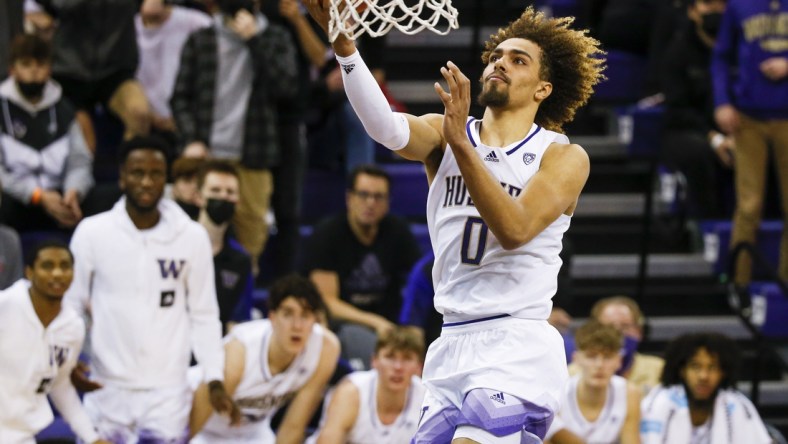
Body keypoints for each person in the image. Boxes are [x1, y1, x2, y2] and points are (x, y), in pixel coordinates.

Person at [301, 3, 604, 441]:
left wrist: (462, 144)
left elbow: (515, 230)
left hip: (515, 344)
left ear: (543, 89)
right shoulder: (446, 134)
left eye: (518, 60)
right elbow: (385, 128)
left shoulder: (562, 156)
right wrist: (345, 47)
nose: (501, 62)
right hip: (451, 343)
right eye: (497, 55)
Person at [63, 135, 236, 442]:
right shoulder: (92, 233)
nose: (146, 182)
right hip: (106, 386)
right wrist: (71, 357)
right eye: (137, 173)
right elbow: (72, 306)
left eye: (155, 174)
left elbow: (205, 314)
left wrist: (214, 376)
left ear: (166, 179)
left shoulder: (191, 236)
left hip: (167, 391)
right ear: (122, 177)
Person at [171, 0, 299, 273]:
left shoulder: (274, 37)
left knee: (252, 245)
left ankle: (240, 305)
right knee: (195, 241)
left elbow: (286, 89)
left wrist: (255, 41)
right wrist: (192, 139)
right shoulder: (201, 39)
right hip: (207, 155)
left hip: (254, 156)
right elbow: (180, 97)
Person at [189, 273, 340, 443]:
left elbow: (294, 426)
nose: (297, 326)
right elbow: (195, 415)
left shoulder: (326, 349)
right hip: (200, 423)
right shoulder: (241, 351)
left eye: (305, 315)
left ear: (315, 320)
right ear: (272, 317)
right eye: (288, 314)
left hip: (252, 432)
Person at [304, 164, 422, 369]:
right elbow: (328, 301)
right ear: (349, 198)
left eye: (378, 197)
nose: (370, 203)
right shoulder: (328, 234)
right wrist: (375, 322)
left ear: (387, 203)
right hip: (344, 324)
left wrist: (413, 325)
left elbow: (421, 277)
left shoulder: (398, 232)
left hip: (390, 324)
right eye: (363, 195)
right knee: (378, 350)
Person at [711, 0, 788, 286]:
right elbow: (720, 56)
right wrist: (722, 102)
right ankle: (738, 284)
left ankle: (784, 288)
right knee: (748, 206)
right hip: (748, 118)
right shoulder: (739, 5)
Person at [0, 240, 107, 444]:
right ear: (29, 272)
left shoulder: (73, 327)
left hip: (21, 435)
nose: (57, 273)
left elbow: (61, 386)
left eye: (65, 266)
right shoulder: (5, 306)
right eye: (47, 266)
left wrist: (92, 438)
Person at [0, 34, 94, 232]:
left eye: (40, 64)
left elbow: (80, 160)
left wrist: (73, 192)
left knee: (108, 199)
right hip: (18, 199)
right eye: (26, 64)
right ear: (13, 70)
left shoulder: (64, 109)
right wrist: (37, 196)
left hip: (60, 195)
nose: (34, 71)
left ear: (49, 69)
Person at [31, 0, 152, 141]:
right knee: (83, 132)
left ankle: (132, 162)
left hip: (116, 70)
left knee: (139, 112)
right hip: (70, 71)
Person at [661, 0, 732, 220]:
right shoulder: (677, 52)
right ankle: (707, 228)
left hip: (738, 129)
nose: (715, 11)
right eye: (708, 4)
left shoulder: (741, 49)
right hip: (688, 131)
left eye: (721, 4)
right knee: (699, 153)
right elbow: (678, 110)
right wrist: (715, 139)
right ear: (692, 11)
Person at [640, 332, 771, 443]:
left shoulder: (736, 405)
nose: (704, 376)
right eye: (695, 367)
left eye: (712, 367)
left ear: (723, 372)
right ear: (682, 371)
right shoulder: (659, 403)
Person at [308, 327, 426, 444]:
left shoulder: (428, 400)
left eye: (407, 358)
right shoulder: (351, 393)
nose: (398, 367)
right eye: (390, 357)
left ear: (419, 366)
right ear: (374, 361)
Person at [544, 320, 641, 444]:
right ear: (576, 359)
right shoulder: (557, 393)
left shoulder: (630, 393)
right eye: (591, 356)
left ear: (619, 361)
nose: (599, 365)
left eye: (607, 357)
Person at [135, 0, 211, 144]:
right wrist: (152, 117)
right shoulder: (128, 28)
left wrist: (182, 119)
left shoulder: (196, 22)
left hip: (190, 120)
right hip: (148, 120)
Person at [196, 159, 254, 334]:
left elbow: (238, 321)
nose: (223, 197)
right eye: (215, 190)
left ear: (238, 201)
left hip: (216, 347)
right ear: (199, 197)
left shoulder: (241, 260)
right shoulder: (176, 247)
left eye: (230, 192)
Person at [569, 296, 665, 394]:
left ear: (639, 331)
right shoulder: (570, 374)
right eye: (609, 327)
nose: (618, 333)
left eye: (625, 326)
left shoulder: (659, 369)